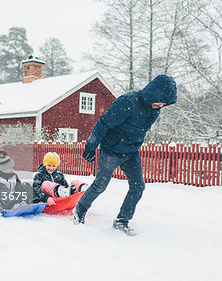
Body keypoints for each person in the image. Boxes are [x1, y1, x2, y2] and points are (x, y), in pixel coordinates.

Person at [73, 74, 177, 235]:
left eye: (165, 103)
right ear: (154, 93)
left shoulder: (155, 109)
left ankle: (122, 221)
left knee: (138, 187)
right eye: (161, 100)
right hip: (111, 150)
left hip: (131, 152)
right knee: (100, 185)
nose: (162, 105)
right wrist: (90, 146)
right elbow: (104, 123)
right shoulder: (127, 102)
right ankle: (80, 210)